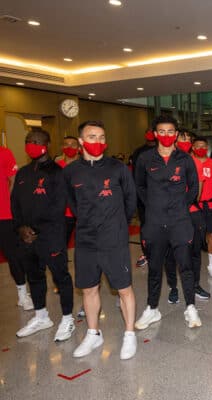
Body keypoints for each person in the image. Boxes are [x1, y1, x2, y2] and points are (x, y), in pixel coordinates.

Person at [63, 121, 137, 359]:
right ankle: (93, 334)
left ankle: (129, 334)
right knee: (88, 288)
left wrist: (115, 225)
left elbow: (130, 202)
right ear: (81, 141)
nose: (98, 142)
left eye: (102, 137)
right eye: (92, 137)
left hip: (113, 238)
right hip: (85, 238)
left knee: (124, 288)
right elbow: (73, 205)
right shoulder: (71, 172)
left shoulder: (118, 168)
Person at [134, 115, 202, 329]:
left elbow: (193, 187)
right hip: (154, 222)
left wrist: (180, 205)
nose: (166, 135)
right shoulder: (144, 159)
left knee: (186, 266)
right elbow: (140, 187)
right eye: (161, 131)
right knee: (155, 267)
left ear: (176, 134)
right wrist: (154, 205)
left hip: (180, 221)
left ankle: (190, 307)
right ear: (155, 134)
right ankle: (152, 309)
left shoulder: (185, 159)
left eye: (170, 131)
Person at [11, 130, 75, 340]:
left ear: (46, 144)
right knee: (35, 277)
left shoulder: (57, 172)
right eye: (28, 141)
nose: (32, 145)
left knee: (60, 277)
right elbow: (15, 203)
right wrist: (21, 227)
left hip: (50, 236)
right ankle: (41, 316)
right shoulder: (23, 173)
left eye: (36, 141)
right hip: (26, 237)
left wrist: (35, 230)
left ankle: (67, 319)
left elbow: (57, 207)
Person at [163, 131, 211, 303]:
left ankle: (195, 285)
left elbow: (196, 191)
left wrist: (182, 204)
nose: (186, 142)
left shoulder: (195, 162)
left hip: (191, 211)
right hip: (169, 215)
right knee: (170, 254)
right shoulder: (164, 160)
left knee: (195, 252)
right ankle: (173, 287)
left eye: (189, 140)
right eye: (183, 139)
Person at [0, 144, 32, 310]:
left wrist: (10, 203)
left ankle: (22, 294)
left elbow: (13, 180)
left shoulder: (4, 153)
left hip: (4, 215)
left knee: (13, 256)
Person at [190, 137, 212, 278]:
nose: (201, 148)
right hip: (194, 206)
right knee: (193, 238)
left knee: (211, 235)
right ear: (193, 148)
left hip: (211, 205)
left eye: (203, 146)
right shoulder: (189, 164)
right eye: (198, 146)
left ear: (207, 147)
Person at [130, 129, 157, 268]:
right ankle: (146, 253)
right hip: (143, 196)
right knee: (146, 226)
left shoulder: (161, 150)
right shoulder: (138, 152)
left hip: (159, 195)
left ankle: (161, 253)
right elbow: (135, 175)